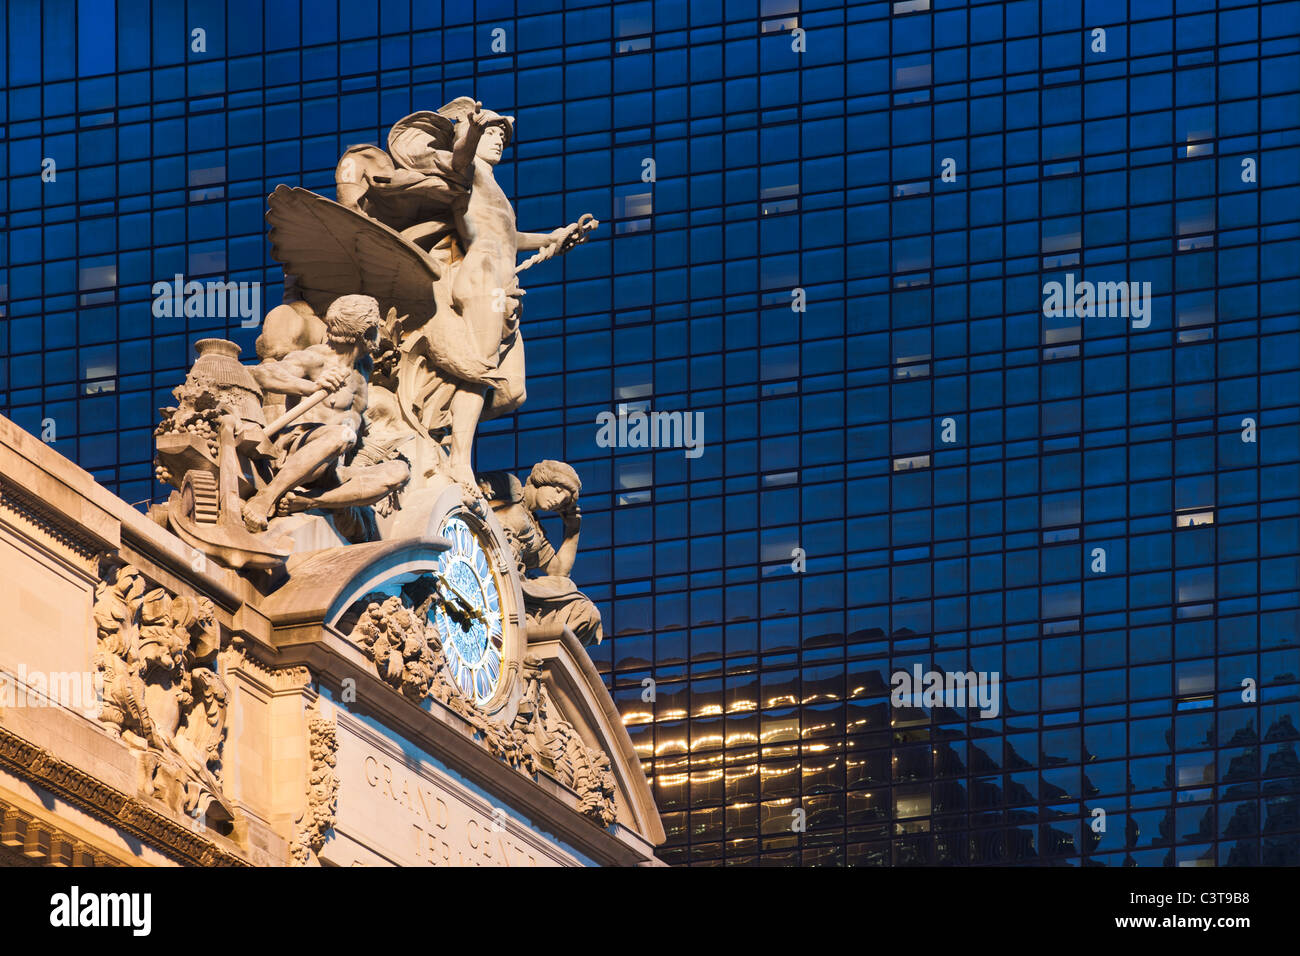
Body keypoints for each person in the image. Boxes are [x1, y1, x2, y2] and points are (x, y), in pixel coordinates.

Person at [242, 294, 409, 531]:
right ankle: (266, 497)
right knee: (340, 435)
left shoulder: (364, 368)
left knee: (399, 471)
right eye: (376, 328)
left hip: (334, 467)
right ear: (366, 333)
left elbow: (356, 421)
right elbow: (262, 374)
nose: (380, 335)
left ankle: (308, 502)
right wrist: (312, 386)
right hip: (300, 447)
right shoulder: (316, 358)